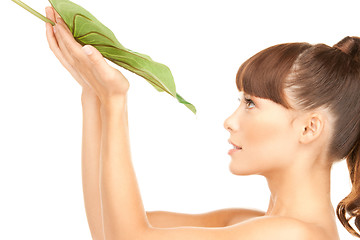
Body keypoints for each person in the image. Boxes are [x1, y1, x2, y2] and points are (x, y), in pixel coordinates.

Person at [44, 5, 360, 240]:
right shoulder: (250, 223)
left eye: (250, 103)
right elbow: (107, 227)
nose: (230, 121)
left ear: (309, 128)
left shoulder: (294, 235)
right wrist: (93, 96)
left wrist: (115, 102)